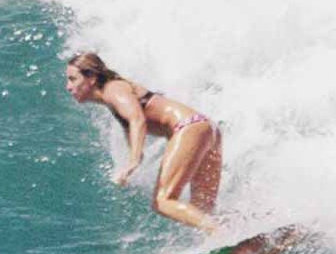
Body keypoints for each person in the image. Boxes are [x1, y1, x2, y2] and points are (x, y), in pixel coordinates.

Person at [64, 51, 222, 234]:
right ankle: (236, 236)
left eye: (72, 79)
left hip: (189, 127)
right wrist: (131, 167)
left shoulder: (112, 90)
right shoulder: (114, 95)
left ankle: (223, 232)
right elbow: (132, 127)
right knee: (202, 210)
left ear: (91, 77)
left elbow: (137, 120)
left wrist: (134, 160)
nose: (68, 87)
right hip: (206, 128)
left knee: (163, 201)